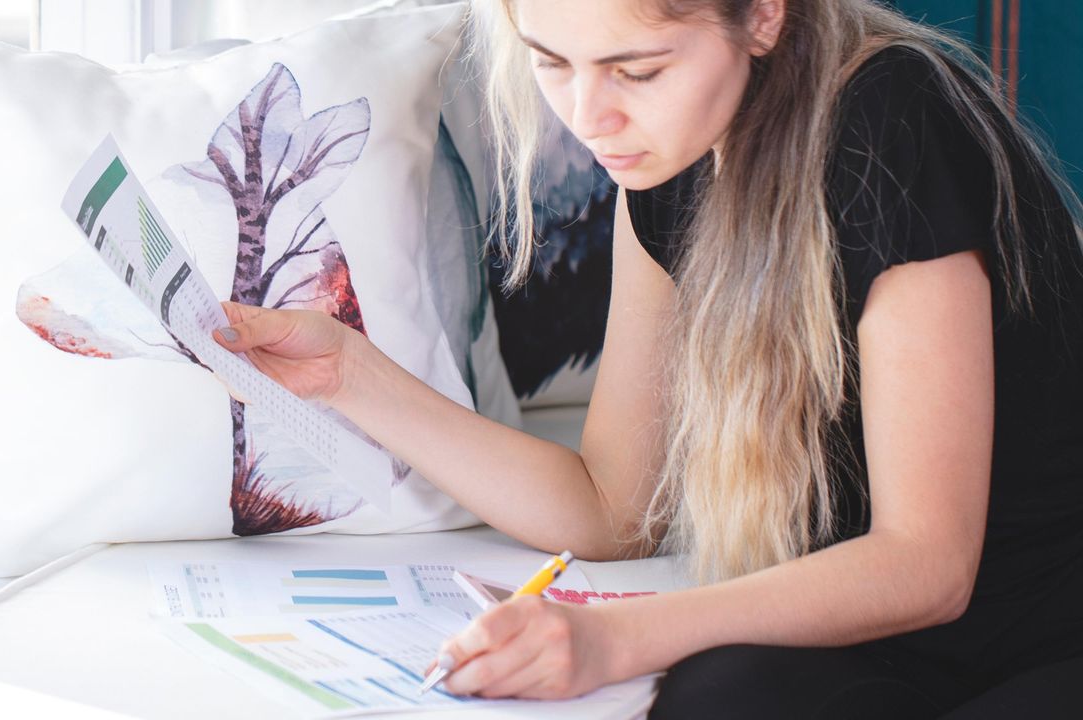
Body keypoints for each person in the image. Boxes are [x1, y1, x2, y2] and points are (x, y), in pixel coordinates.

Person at [212, 0, 1083, 716]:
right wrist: (349, 376)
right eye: (551, 61)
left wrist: (614, 636)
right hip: (870, 636)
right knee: (716, 698)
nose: (590, 119)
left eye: (637, 71)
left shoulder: (894, 116)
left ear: (765, 18)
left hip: (1042, 633)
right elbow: (609, 511)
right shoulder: (664, 163)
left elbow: (926, 565)